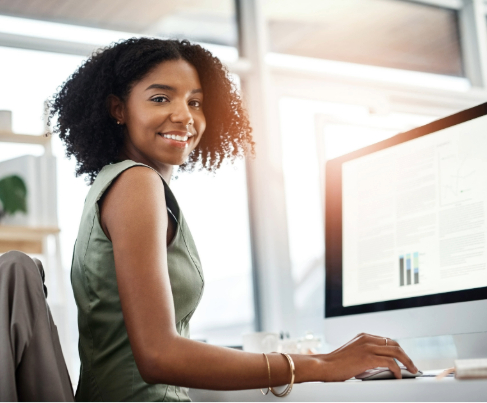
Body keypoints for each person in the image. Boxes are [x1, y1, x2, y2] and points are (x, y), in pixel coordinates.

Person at [46, 37, 418, 402]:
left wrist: (318, 360)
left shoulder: (115, 185)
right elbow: (159, 356)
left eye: (195, 102)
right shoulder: (137, 184)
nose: (184, 115)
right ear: (118, 109)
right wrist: (320, 364)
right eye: (161, 98)